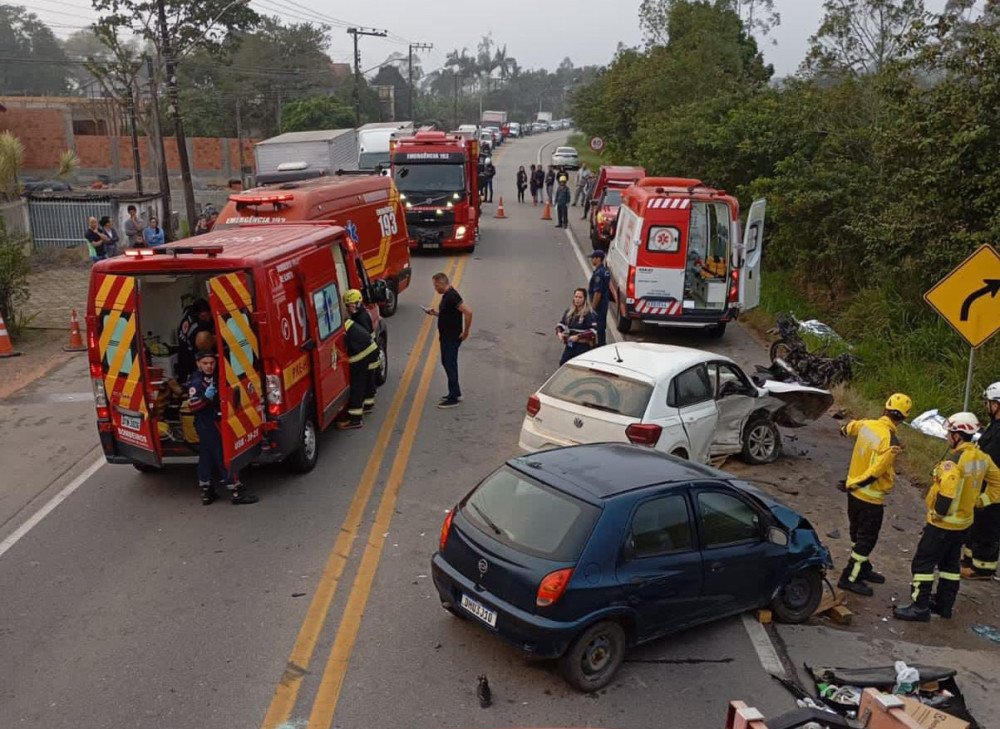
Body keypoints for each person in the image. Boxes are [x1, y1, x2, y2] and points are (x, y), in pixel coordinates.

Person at [893, 412, 1000, 621]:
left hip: (942, 525)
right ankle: (944, 605)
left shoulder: (953, 462)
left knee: (923, 564)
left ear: (958, 435)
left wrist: (938, 514)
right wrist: (981, 501)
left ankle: (920, 606)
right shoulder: (982, 458)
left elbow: (948, 491)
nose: (947, 437)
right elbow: (998, 482)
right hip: (963, 524)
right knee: (950, 566)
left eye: (949, 433)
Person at [836, 393, 912, 596]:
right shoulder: (891, 440)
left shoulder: (867, 424)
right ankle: (850, 577)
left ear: (885, 410)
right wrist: (855, 485)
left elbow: (847, 428)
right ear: (903, 419)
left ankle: (864, 568)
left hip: (854, 494)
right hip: (869, 497)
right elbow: (877, 471)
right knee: (866, 540)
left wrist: (851, 484)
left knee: (857, 533)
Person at [187, 350, 258, 505]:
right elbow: (192, 406)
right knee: (223, 455)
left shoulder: (215, 377)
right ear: (198, 364)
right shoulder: (196, 382)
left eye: (212, 363)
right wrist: (206, 398)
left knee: (206, 457)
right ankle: (236, 491)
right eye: (205, 363)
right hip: (208, 424)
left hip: (211, 423)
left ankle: (207, 491)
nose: (209, 366)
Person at [962, 382, 1000, 579]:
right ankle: (970, 558)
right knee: (976, 522)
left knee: (988, 526)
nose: (987, 406)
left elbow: (991, 459)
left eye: (989, 403)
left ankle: (983, 568)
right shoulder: (995, 426)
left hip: (995, 489)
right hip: (984, 485)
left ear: (996, 405)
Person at [426, 272, 472, 409]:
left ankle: (453, 398)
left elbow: (468, 312)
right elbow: (449, 314)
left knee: (450, 364)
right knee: (446, 362)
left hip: (451, 337)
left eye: (435, 285)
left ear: (441, 283)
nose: (435, 288)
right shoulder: (447, 296)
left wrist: (465, 332)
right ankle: (455, 392)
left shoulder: (452, 296)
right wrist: (435, 313)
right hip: (446, 336)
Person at [337, 290, 380, 429]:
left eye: (349, 305)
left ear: (357, 303)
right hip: (367, 351)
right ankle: (366, 405)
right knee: (364, 382)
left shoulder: (358, 318)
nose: (349, 308)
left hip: (362, 354)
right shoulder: (356, 317)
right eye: (347, 306)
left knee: (358, 384)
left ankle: (355, 419)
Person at [177, 298, 215, 384]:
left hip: (183, 350)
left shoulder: (189, 312)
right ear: (197, 315)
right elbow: (206, 341)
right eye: (203, 316)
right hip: (189, 355)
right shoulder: (198, 327)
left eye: (208, 315)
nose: (207, 318)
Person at [556, 288, 598, 365]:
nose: (577, 299)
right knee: (563, 364)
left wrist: (578, 337)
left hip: (583, 346)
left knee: (578, 366)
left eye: (580, 297)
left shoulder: (589, 314)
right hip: (570, 344)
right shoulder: (569, 311)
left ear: (585, 299)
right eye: (576, 297)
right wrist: (559, 333)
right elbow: (560, 324)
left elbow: (593, 331)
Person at [588, 249, 611, 347]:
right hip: (604, 303)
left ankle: (600, 345)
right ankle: (600, 343)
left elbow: (598, 292)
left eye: (593, 258)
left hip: (599, 304)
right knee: (601, 324)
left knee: (598, 325)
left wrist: (593, 306)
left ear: (598, 259)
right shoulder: (605, 271)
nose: (591, 260)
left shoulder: (599, 274)